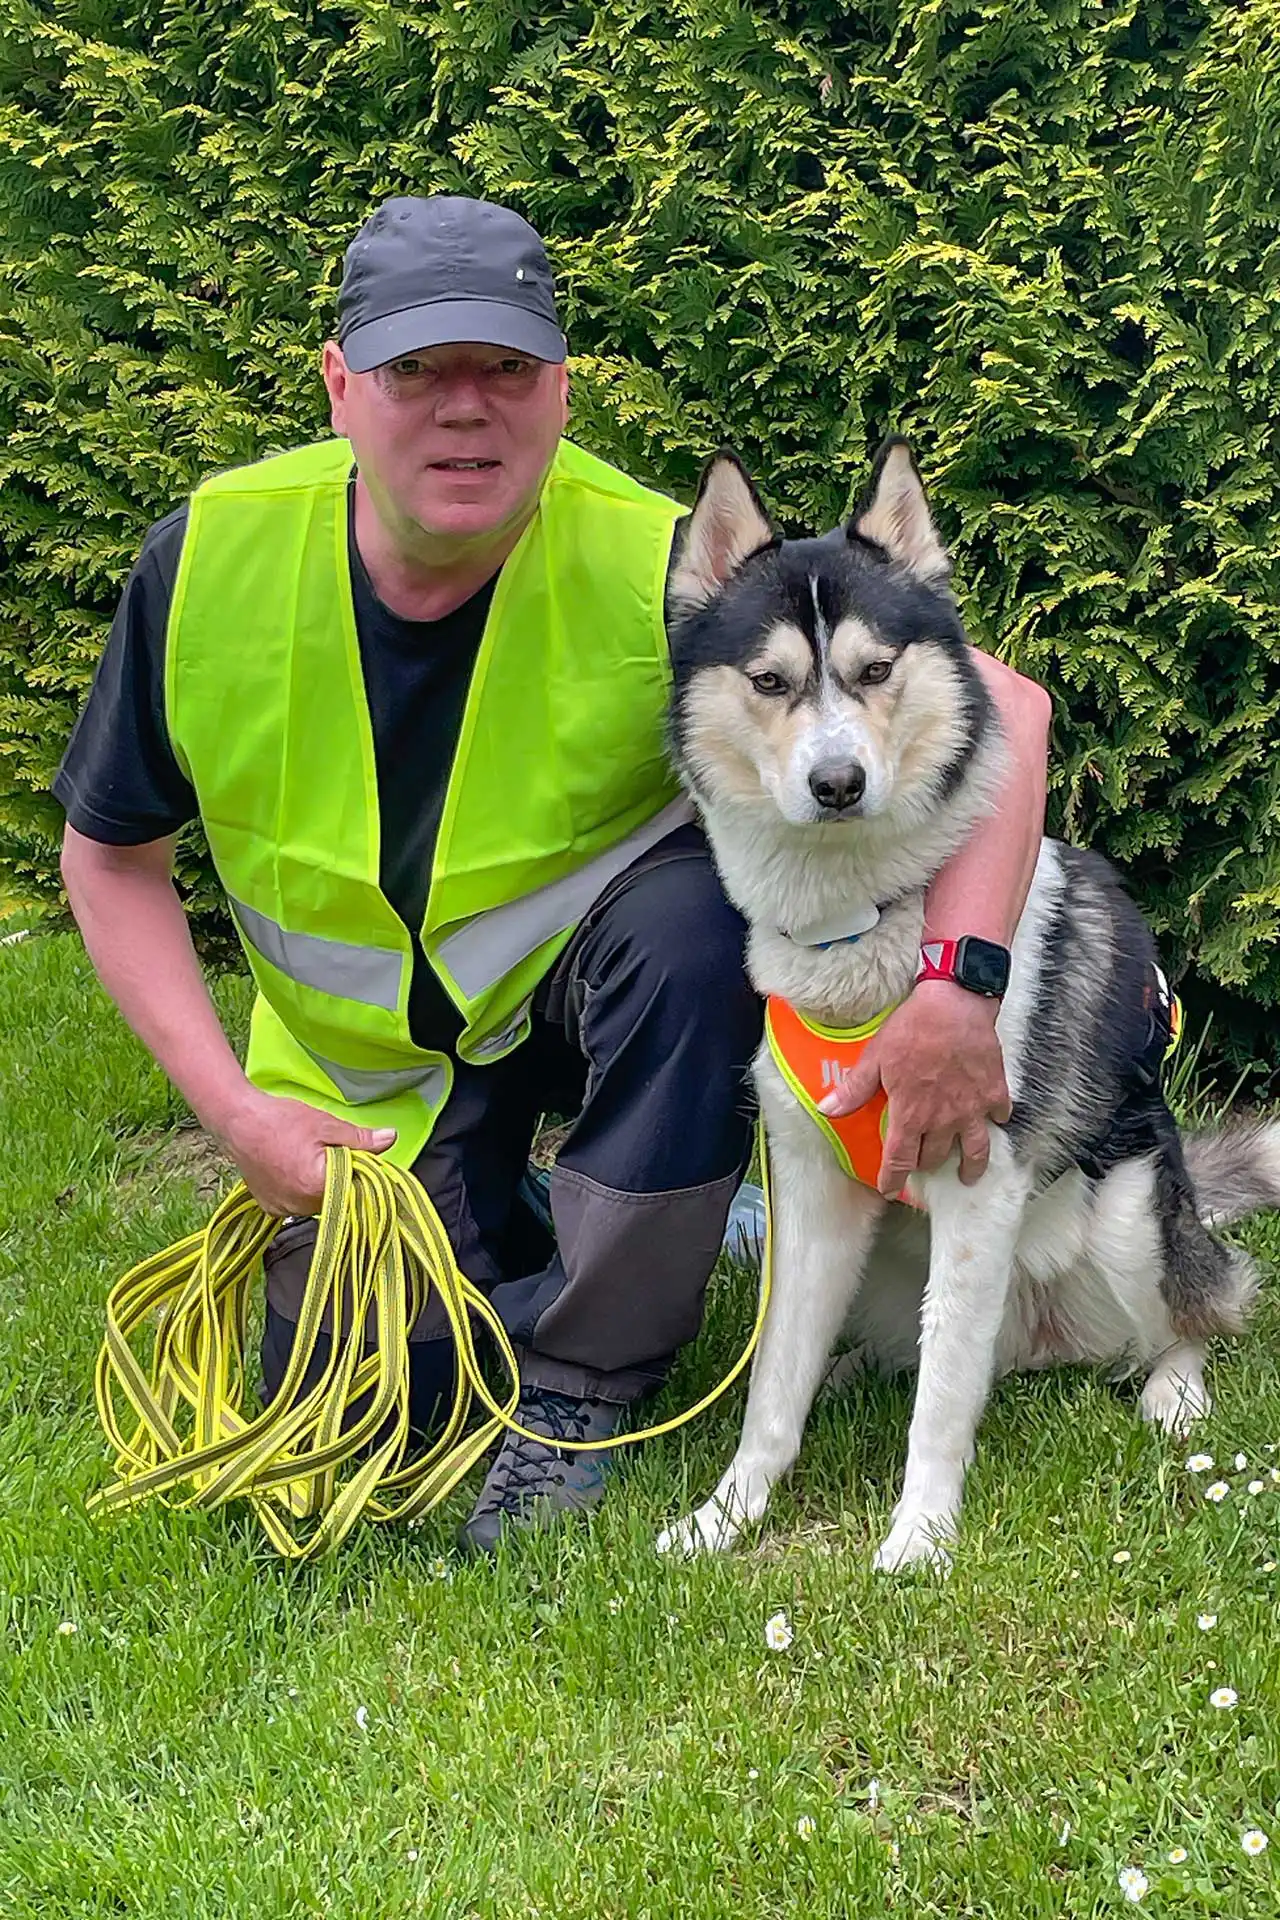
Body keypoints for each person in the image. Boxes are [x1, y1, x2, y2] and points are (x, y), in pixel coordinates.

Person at [54, 194, 1052, 1555]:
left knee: (704, 925)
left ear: (561, 391)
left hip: (588, 1006)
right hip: (356, 1094)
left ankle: (583, 1382)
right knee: (366, 1391)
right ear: (342, 388)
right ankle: (528, 1224)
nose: (466, 410)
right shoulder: (209, 558)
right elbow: (108, 858)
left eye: (506, 370)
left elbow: (1012, 706)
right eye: (417, 371)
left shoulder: (662, 563)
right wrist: (233, 1114)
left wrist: (959, 989)